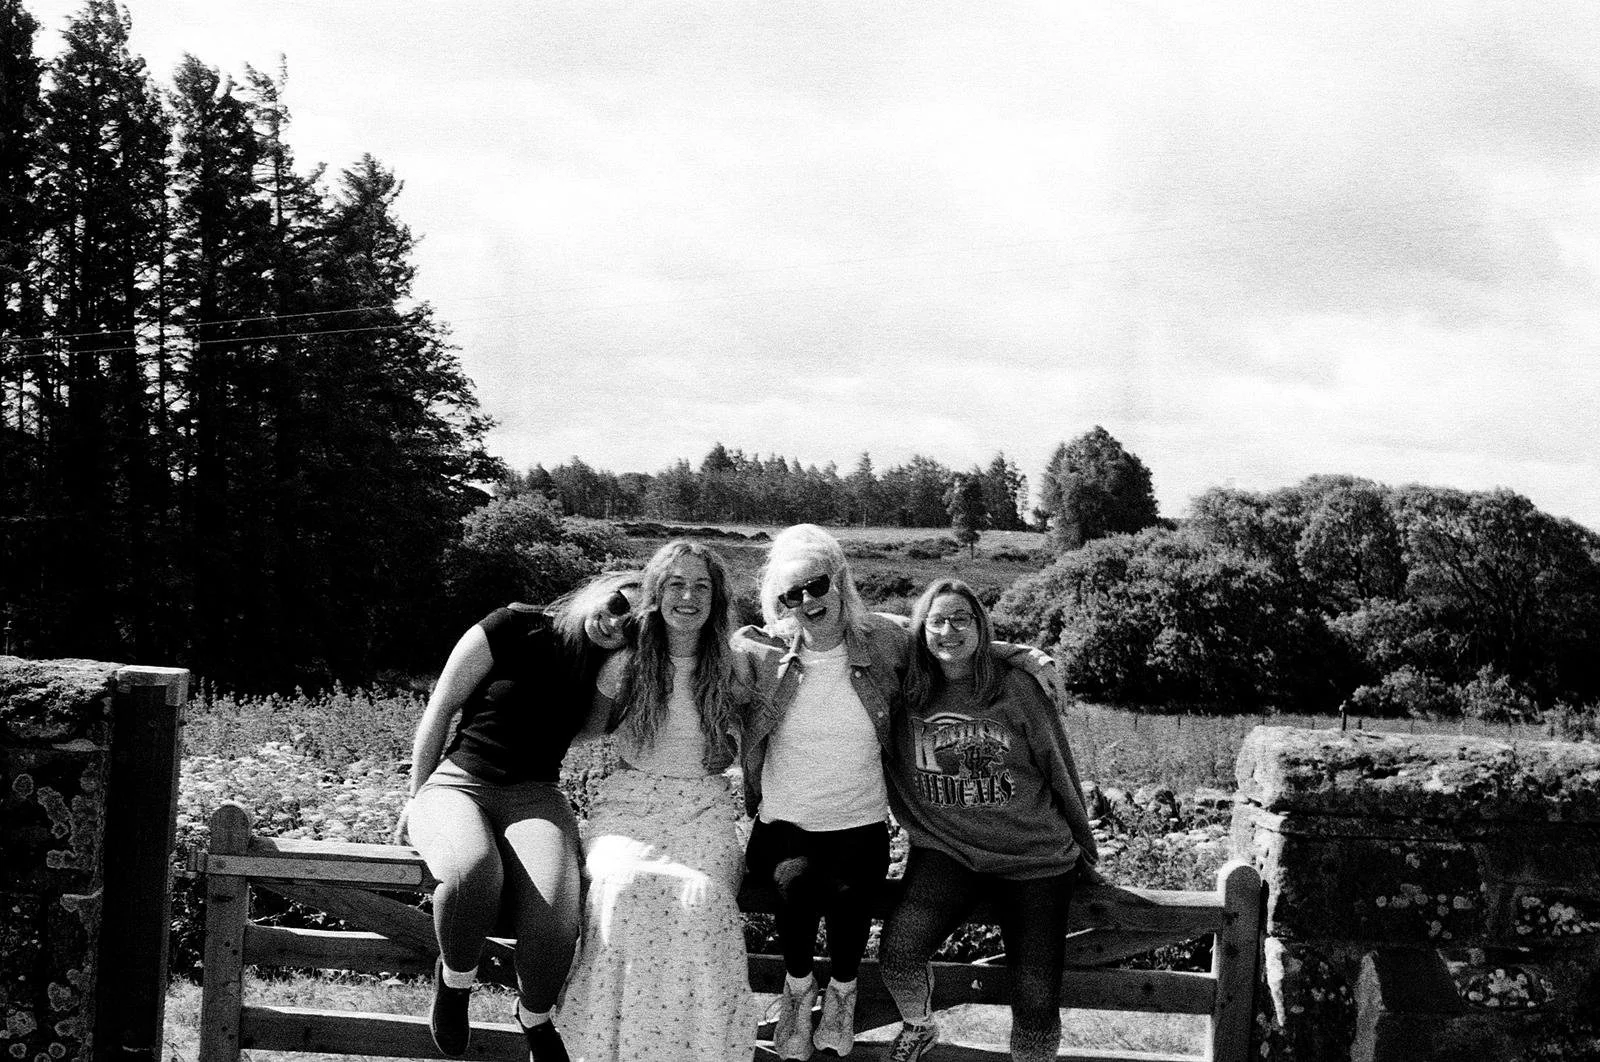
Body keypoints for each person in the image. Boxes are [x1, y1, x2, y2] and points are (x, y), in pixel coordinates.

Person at [403, 571, 643, 1062]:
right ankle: (454, 984)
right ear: (602, 587)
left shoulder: (607, 664)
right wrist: (415, 796)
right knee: (472, 873)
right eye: (619, 604)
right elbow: (442, 705)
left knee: (558, 913)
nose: (618, 624)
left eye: (636, 628)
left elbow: (593, 730)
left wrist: (614, 667)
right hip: (457, 785)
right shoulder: (512, 625)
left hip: (535, 795)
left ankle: (533, 1016)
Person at [878, 578, 1100, 1062]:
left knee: (1036, 993)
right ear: (921, 630)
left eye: (962, 619)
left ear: (982, 627)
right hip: (948, 851)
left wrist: (1086, 850)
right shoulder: (906, 691)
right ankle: (919, 1025)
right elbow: (863, 630)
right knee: (898, 951)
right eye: (936, 621)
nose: (948, 630)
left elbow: (1059, 769)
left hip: (1034, 858)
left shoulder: (1016, 688)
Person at [559, 540, 759, 1062]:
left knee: (703, 901)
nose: (688, 597)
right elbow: (581, 732)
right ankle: (609, 1051)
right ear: (656, 592)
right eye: (676, 584)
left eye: (701, 586)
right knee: (617, 892)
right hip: (630, 805)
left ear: (716, 599)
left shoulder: (734, 665)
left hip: (704, 807)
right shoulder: (625, 663)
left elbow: (762, 729)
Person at [732, 523, 908, 1060]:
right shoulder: (761, 654)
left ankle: (843, 993)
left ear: (840, 582)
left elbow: (956, 638)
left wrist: (1025, 654)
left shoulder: (884, 639)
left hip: (859, 820)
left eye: (816, 586)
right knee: (793, 884)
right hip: (785, 820)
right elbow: (690, 661)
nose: (807, 602)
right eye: (791, 594)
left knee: (851, 896)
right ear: (778, 603)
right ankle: (797, 989)